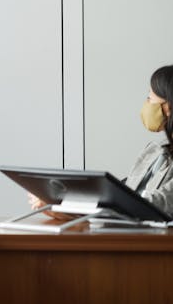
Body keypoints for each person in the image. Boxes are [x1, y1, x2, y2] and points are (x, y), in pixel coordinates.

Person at [30, 64, 173, 217]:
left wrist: (76, 205)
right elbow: (123, 192)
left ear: (168, 107)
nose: (146, 105)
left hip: (152, 239)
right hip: (123, 233)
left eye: (149, 98)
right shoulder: (154, 150)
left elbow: (160, 203)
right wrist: (64, 202)